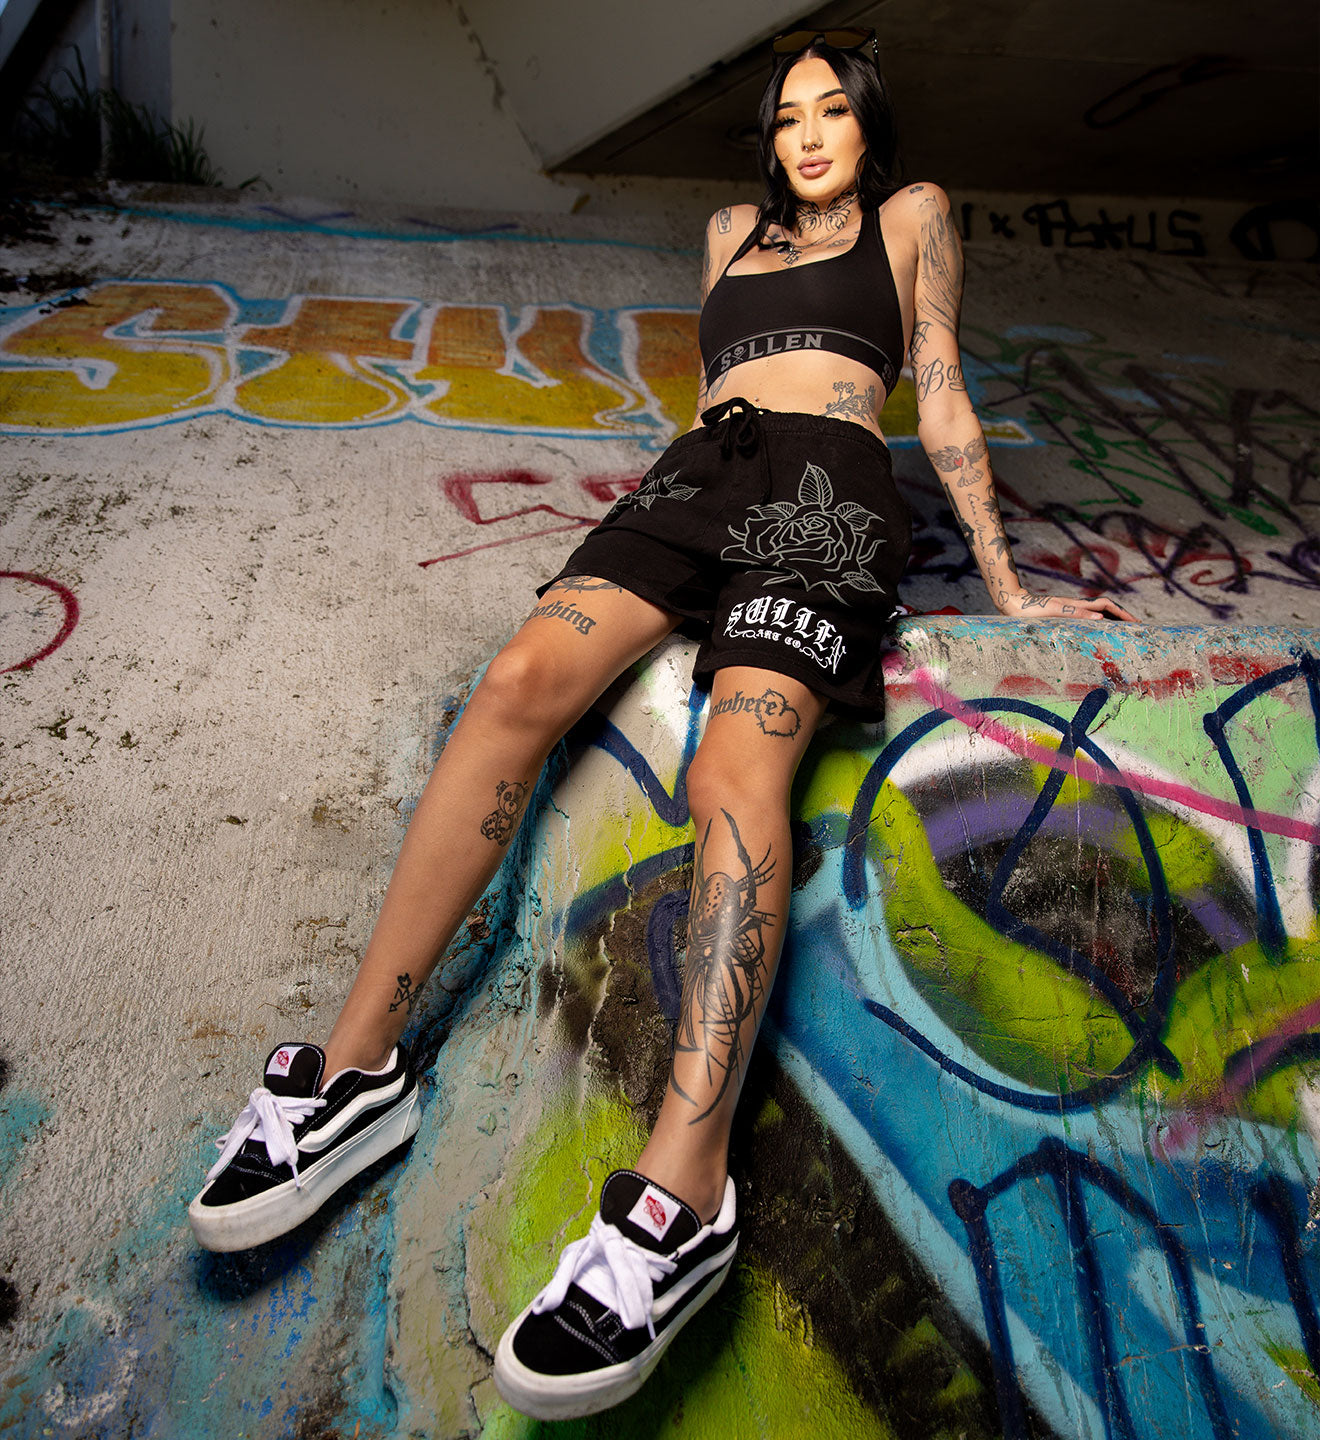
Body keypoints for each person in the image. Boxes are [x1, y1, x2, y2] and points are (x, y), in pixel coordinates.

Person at [187, 28, 1137, 1421]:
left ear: (870, 128)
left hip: (832, 494)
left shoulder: (914, 218)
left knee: (735, 764)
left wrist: (1011, 589)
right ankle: (350, 1072)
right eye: (790, 115)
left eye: (835, 111)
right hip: (697, 482)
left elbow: (936, 383)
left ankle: (683, 1196)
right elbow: (706, 404)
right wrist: (678, 546)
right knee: (518, 684)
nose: (812, 134)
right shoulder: (723, 236)